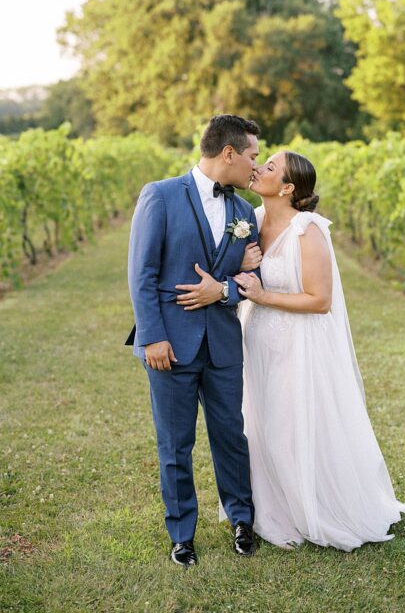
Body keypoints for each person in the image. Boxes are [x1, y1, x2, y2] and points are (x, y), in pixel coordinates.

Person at [231, 150, 405, 550]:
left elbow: (320, 300)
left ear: (288, 188)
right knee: (261, 419)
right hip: (256, 337)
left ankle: (312, 507)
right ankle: (267, 503)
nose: (260, 169)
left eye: (271, 167)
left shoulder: (307, 231)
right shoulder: (252, 222)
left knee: (294, 420)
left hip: (297, 342)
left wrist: (263, 295)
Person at [126, 114, 264, 566]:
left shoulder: (245, 212)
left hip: (224, 343)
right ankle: (181, 533)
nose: (255, 167)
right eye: (251, 156)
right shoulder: (160, 195)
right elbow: (142, 274)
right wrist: (152, 338)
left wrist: (222, 290)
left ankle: (241, 519)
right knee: (175, 443)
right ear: (228, 153)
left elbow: (251, 277)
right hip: (170, 345)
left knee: (231, 435)